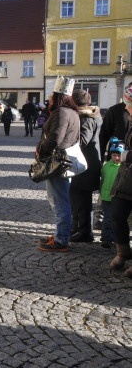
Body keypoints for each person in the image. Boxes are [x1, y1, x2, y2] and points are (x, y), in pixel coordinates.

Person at [38, 77, 80, 252]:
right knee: (59, 200)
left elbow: (55, 138)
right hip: (62, 161)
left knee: (59, 201)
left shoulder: (62, 112)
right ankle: (60, 234)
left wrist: (41, 150)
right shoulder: (71, 112)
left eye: (53, 94)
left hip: (57, 162)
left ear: (59, 96)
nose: (49, 97)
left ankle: (61, 239)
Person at [69, 89, 101, 243]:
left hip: (86, 164)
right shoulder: (86, 115)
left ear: (75, 102)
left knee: (82, 199)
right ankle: (77, 228)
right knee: (78, 198)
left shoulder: (87, 118)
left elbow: (83, 140)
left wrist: (68, 136)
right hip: (85, 163)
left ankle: (84, 232)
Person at [109, 85, 132, 277]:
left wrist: (127, 155)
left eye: (129, 104)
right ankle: (123, 251)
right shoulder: (130, 121)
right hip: (125, 179)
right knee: (116, 215)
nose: (126, 107)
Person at [100, 139, 123, 249]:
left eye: (119, 155)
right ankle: (106, 238)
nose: (116, 158)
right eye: (114, 155)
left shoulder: (123, 168)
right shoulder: (107, 166)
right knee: (107, 218)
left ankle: (117, 238)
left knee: (117, 218)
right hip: (106, 197)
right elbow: (102, 180)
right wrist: (101, 194)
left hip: (118, 198)